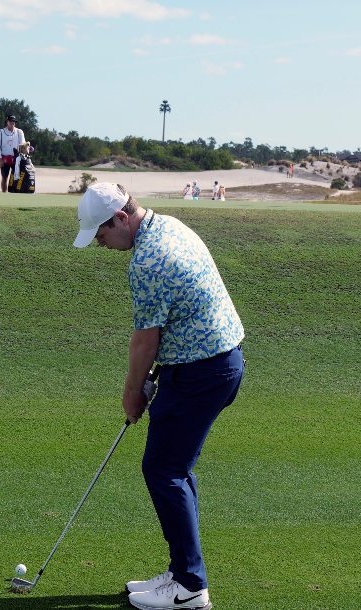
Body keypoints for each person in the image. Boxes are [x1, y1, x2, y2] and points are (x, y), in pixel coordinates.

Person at [72, 183, 245, 610]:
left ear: (120, 219)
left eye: (100, 233)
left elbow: (145, 340)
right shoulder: (169, 226)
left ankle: (189, 587)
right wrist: (154, 378)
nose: (99, 242)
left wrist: (133, 392)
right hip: (216, 362)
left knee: (164, 469)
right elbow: (173, 319)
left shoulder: (148, 260)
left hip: (201, 371)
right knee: (175, 468)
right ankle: (183, 570)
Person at [0, 115, 26, 193]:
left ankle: (15, 193)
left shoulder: (19, 132)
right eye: (11, 121)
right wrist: (0, 158)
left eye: (14, 122)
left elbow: (23, 144)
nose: (12, 123)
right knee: (4, 177)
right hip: (4, 158)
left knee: (17, 177)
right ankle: (4, 194)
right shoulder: (1, 132)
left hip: (16, 159)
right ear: (7, 122)